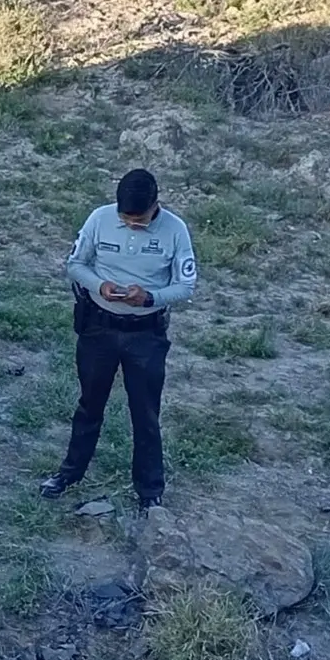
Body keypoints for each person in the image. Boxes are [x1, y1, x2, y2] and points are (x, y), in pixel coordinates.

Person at [41, 169, 198, 514]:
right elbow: (76, 264)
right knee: (88, 405)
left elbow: (186, 286)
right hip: (98, 328)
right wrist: (100, 286)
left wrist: (150, 297)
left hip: (146, 334)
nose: (130, 224)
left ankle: (149, 491)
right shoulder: (100, 219)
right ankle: (70, 473)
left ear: (156, 205)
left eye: (138, 220)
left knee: (145, 414)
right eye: (124, 218)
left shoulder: (175, 231)